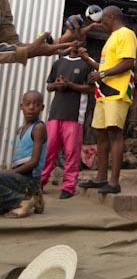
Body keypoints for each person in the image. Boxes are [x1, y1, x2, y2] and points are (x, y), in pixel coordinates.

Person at [78, 6, 137, 195]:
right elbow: (105, 67)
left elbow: (128, 63)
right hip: (103, 93)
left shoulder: (126, 34)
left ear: (111, 17)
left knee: (114, 133)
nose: (100, 24)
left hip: (117, 91)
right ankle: (101, 178)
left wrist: (102, 73)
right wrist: (87, 60)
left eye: (103, 20)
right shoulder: (111, 38)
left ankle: (114, 182)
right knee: (101, 133)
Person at [41, 40, 93, 199]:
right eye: (74, 40)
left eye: (80, 40)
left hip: (75, 114)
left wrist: (69, 84)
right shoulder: (59, 63)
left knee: (71, 152)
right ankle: (39, 183)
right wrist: (57, 85)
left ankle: (68, 187)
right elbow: (49, 86)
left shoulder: (87, 63)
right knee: (48, 150)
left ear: (84, 42)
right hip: (55, 113)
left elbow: (91, 89)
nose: (76, 43)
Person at [0, 90, 46, 218]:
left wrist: (11, 172)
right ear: (21, 106)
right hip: (20, 177)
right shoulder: (19, 130)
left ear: (42, 108)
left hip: (29, 178)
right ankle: (34, 196)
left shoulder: (38, 128)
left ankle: (22, 202)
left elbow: (34, 162)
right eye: (28, 104)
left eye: (36, 104)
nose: (31, 107)